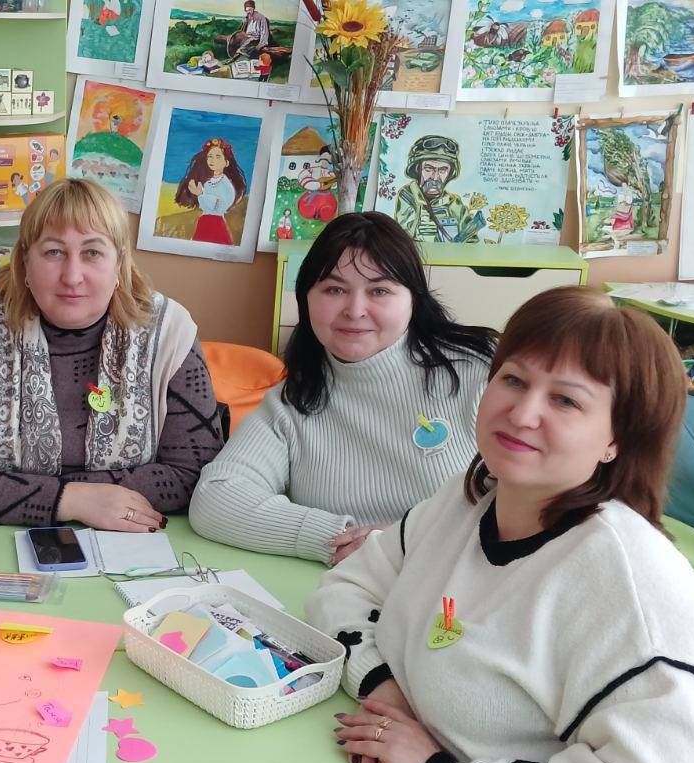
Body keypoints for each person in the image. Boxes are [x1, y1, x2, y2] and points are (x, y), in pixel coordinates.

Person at [311, 287, 694, 763]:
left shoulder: (629, 584)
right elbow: (347, 586)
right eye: (514, 380)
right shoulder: (470, 501)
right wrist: (388, 696)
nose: (522, 414)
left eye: (565, 400)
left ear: (617, 438)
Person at [189, 212, 493, 563]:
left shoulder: (479, 373)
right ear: (306, 298)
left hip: (460, 585)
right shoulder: (294, 400)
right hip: (342, 587)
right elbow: (215, 498)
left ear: (413, 298)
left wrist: (402, 543)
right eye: (335, 289)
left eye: (379, 290)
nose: (355, 310)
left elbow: (530, 502)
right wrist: (339, 538)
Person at [0, 178, 223, 531]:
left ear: (120, 263)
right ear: (25, 262)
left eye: (92, 252)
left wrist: (31, 493)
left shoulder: (170, 330)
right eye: (54, 252)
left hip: (141, 541)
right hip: (9, 539)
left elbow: (196, 475)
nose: (72, 276)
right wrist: (73, 499)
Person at [393, 134, 484, 243]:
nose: (435, 177)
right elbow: (403, 237)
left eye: (442, 170)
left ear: (450, 173)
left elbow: (472, 242)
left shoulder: (454, 203)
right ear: (418, 169)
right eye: (428, 169)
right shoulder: (408, 195)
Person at [176, 137, 247, 245]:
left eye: (218, 157)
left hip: (217, 223)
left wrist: (201, 194)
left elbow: (220, 205)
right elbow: (204, 205)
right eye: (210, 156)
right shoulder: (207, 182)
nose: (213, 160)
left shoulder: (226, 184)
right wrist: (200, 194)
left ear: (226, 162)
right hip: (204, 221)